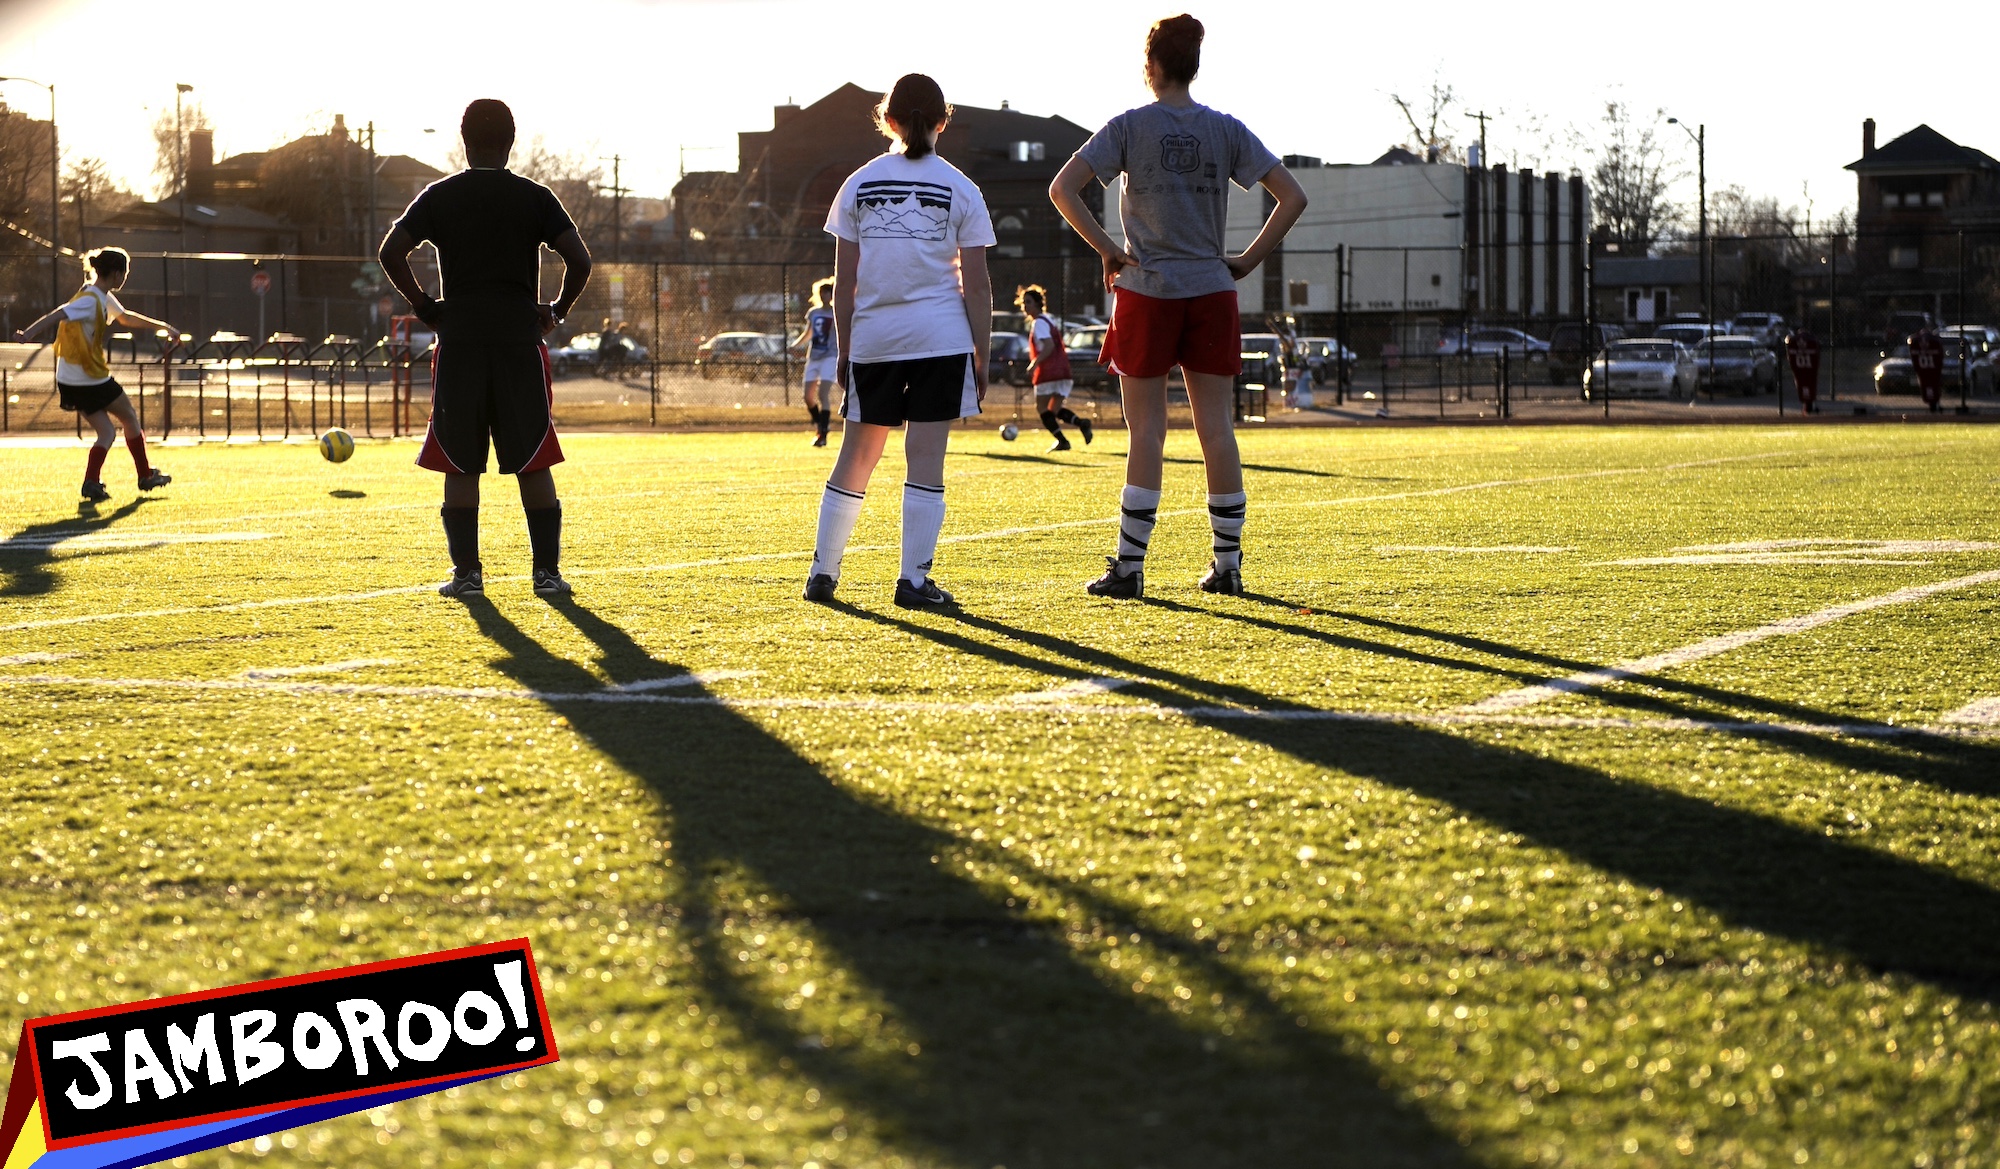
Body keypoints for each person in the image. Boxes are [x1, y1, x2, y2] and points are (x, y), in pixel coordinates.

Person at [1050, 13, 1306, 598]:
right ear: (1194, 65)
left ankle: (1130, 569)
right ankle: (1228, 565)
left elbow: (1062, 188)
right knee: (1217, 431)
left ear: (1151, 66)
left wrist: (1110, 250)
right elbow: (1293, 195)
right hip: (1212, 291)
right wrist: (1247, 259)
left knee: (1147, 434)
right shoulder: (1225, 129)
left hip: (1149, 291)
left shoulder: (1128, 126)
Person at [378, 99, 592, 599]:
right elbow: (579, 260)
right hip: (519, 340)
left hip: (461, 341)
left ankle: (468, 575)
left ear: (464, 142)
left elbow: (391, 250)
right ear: (511, 142)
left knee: (460, 461)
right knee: (533, 459)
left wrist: (427, 306)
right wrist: (555, 310)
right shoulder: (534, 197)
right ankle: (547, 575)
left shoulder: (441, 195)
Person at [803, 73, 994, 609]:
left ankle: (823, 573)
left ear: (887, 120)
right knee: (925, 457)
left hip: (874, 341)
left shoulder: (857, 183)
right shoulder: (962, 187)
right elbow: (977, 286)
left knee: (856, 456)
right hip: (942, 339)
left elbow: (845, 282)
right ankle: (913, 582)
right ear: (942, 121)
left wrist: (844, 350)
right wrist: (980, 354)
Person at [12, 247, 176, 502]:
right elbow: (60, 313)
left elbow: (126, 318)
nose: (126, 277)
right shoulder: (90, 300)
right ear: (117, 273)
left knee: (107, 433)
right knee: (130, 417)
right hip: (88, 377)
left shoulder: (99, 294)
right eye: (125, 271)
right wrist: (28, 335)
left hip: (71, 379)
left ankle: (91, 482)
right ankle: (145, 475)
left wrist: (163, 326)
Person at [1015, 284, 1092, 451]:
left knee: (1042, 408)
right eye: (1024, 302)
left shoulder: (1039, 323)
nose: (1025, 306)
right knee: (1054, 409)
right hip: (1063, 370)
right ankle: (1081, 423)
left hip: (1049, 371)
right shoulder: (1049, 319)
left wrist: (1034, 364)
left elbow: (1049, 346)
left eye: (1028, 302)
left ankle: (1062, 441)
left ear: (1037, 304)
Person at [791, 278, 838, 446]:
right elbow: (808, 333)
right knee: (808, 397)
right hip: (814, 357)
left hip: (830, 356)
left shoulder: (836, 312)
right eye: (822, 293)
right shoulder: (813, 312)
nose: (824, 295)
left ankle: (823, 434)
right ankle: (819, 424)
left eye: (827, 292)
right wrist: (795, 345)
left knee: (822, 393)